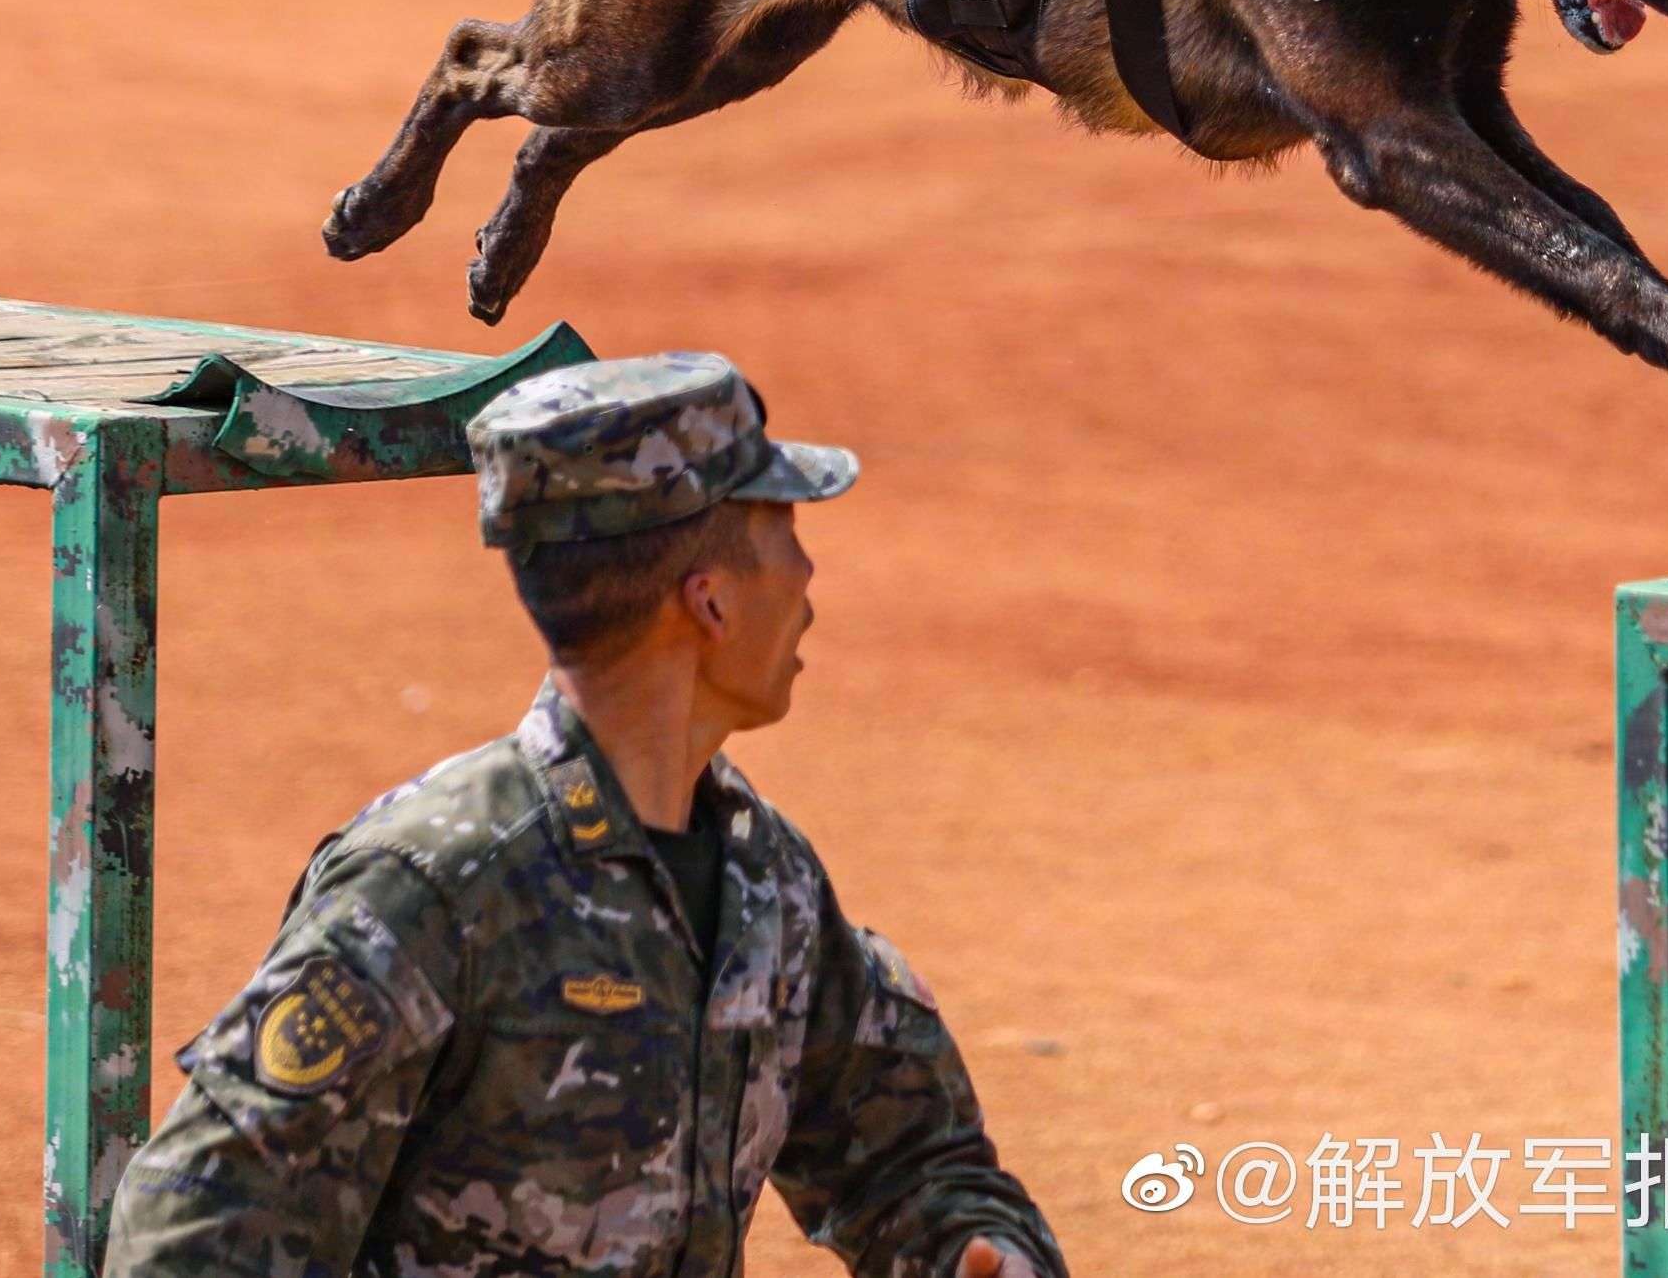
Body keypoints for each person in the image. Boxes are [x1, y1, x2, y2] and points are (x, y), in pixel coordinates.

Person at [103, 351, 1067, 1278]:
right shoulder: (443, 885)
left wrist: (973, 1252)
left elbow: (908, 1157)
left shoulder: (764, 880)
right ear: (712, 602)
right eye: (786, 533)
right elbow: (197, 1224)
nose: (809, 581)